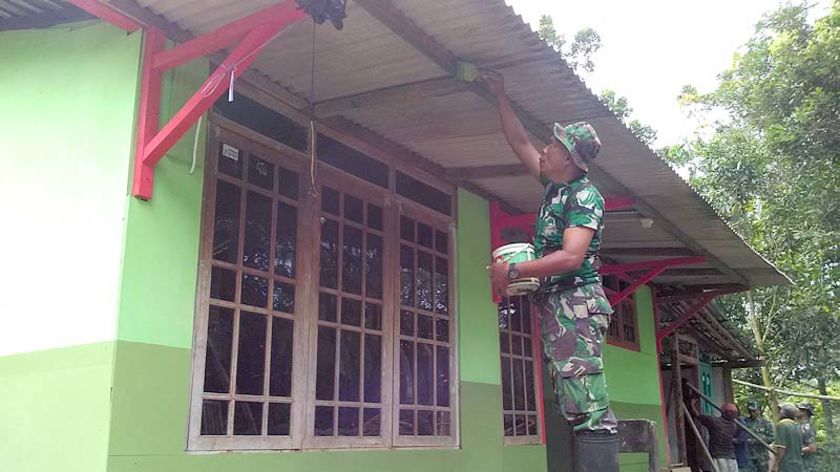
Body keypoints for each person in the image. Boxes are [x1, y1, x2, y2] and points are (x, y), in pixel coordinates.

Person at [481, 71, 618, 471]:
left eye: (553, 146)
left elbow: (571, 257)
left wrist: (513, 270)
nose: (544, 149)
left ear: (570, 159)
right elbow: (519, 141)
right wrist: (501, 95)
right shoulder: (555, 187)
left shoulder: (584, 195)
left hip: (577, 304)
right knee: (570, 396)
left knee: (587, 402)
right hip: (558, 305)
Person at [687, 393, 740, 472]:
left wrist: (692, 404)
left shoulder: (714, 422)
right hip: (731, 458)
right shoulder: (733, 425)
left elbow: (697, 415)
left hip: (718, 457)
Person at [740, 400, 775, 472]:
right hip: (748, 455)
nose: (752, 413)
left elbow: (772, 438)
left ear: (759, 410)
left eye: (754, 410)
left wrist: (758, 440)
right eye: (750, 411)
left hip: (762, 456)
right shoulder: (744, 422)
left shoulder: (766, 424)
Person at [773, 404, 805, 472]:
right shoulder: (796, 426)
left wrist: (776, 464)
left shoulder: (782, 425)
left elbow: (781, 448)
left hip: (786, 466)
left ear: (782, 413)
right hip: (798, 465)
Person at [796, 402, 818, 472]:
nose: (796, 411)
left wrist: (794, 450)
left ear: (804, 412)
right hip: (799, 464)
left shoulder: (807, 428)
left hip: (807, 466)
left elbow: (812, 448)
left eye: (798, 409)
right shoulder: (799, 426)